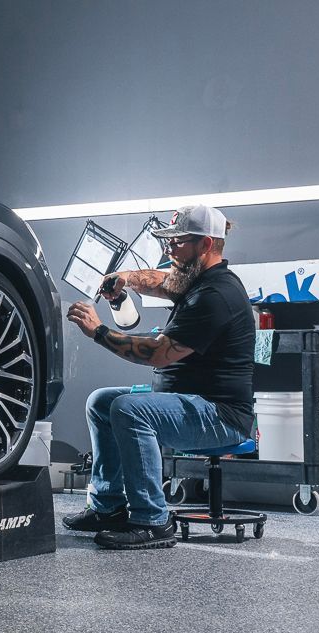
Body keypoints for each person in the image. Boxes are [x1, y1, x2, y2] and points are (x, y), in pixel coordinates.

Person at [63, 204, 256, 549]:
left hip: (219, 415)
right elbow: (159, 280)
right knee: (101, 401)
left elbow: (159, 353)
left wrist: (98, 331)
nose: (170, 250)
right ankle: (108, 507)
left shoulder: (216, 295)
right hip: (189, 404)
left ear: (206, 245)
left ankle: (152, 521)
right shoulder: (195, 281)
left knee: (128, 408)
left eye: (177, 243)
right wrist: (124, 278)